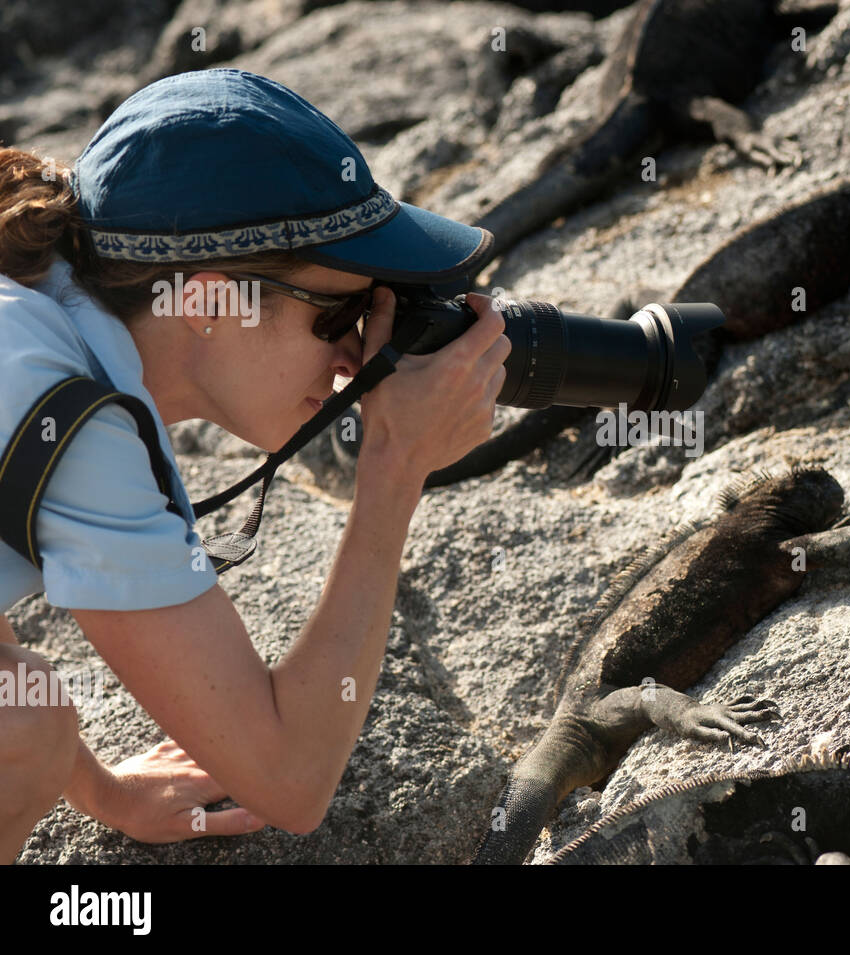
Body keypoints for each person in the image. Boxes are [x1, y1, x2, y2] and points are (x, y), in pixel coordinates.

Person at [0, 69, 510, 862]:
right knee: (22, 725)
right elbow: (290, 780)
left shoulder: (35, 297)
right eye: (339, 314)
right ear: (206, 303)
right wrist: (395, 464)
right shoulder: (74, 420)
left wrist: (104, 790)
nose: (354, 361)